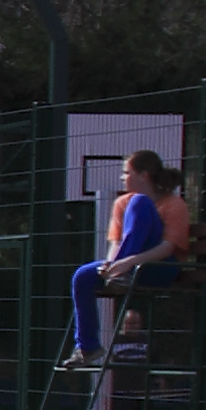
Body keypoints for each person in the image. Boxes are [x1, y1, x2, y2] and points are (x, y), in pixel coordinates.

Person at [62, 151, 184, 369]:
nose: (122, 178)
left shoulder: (173, 204)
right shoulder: (121, 203)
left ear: (144, 175)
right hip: (126, 267)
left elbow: (167, 248)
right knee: (82, 276)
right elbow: (117, 242)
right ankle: (88, 347)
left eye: (127, 173)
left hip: (159, 266)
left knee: (139, 202)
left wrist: (127, 264)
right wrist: (111, 264)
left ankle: (122, 273)